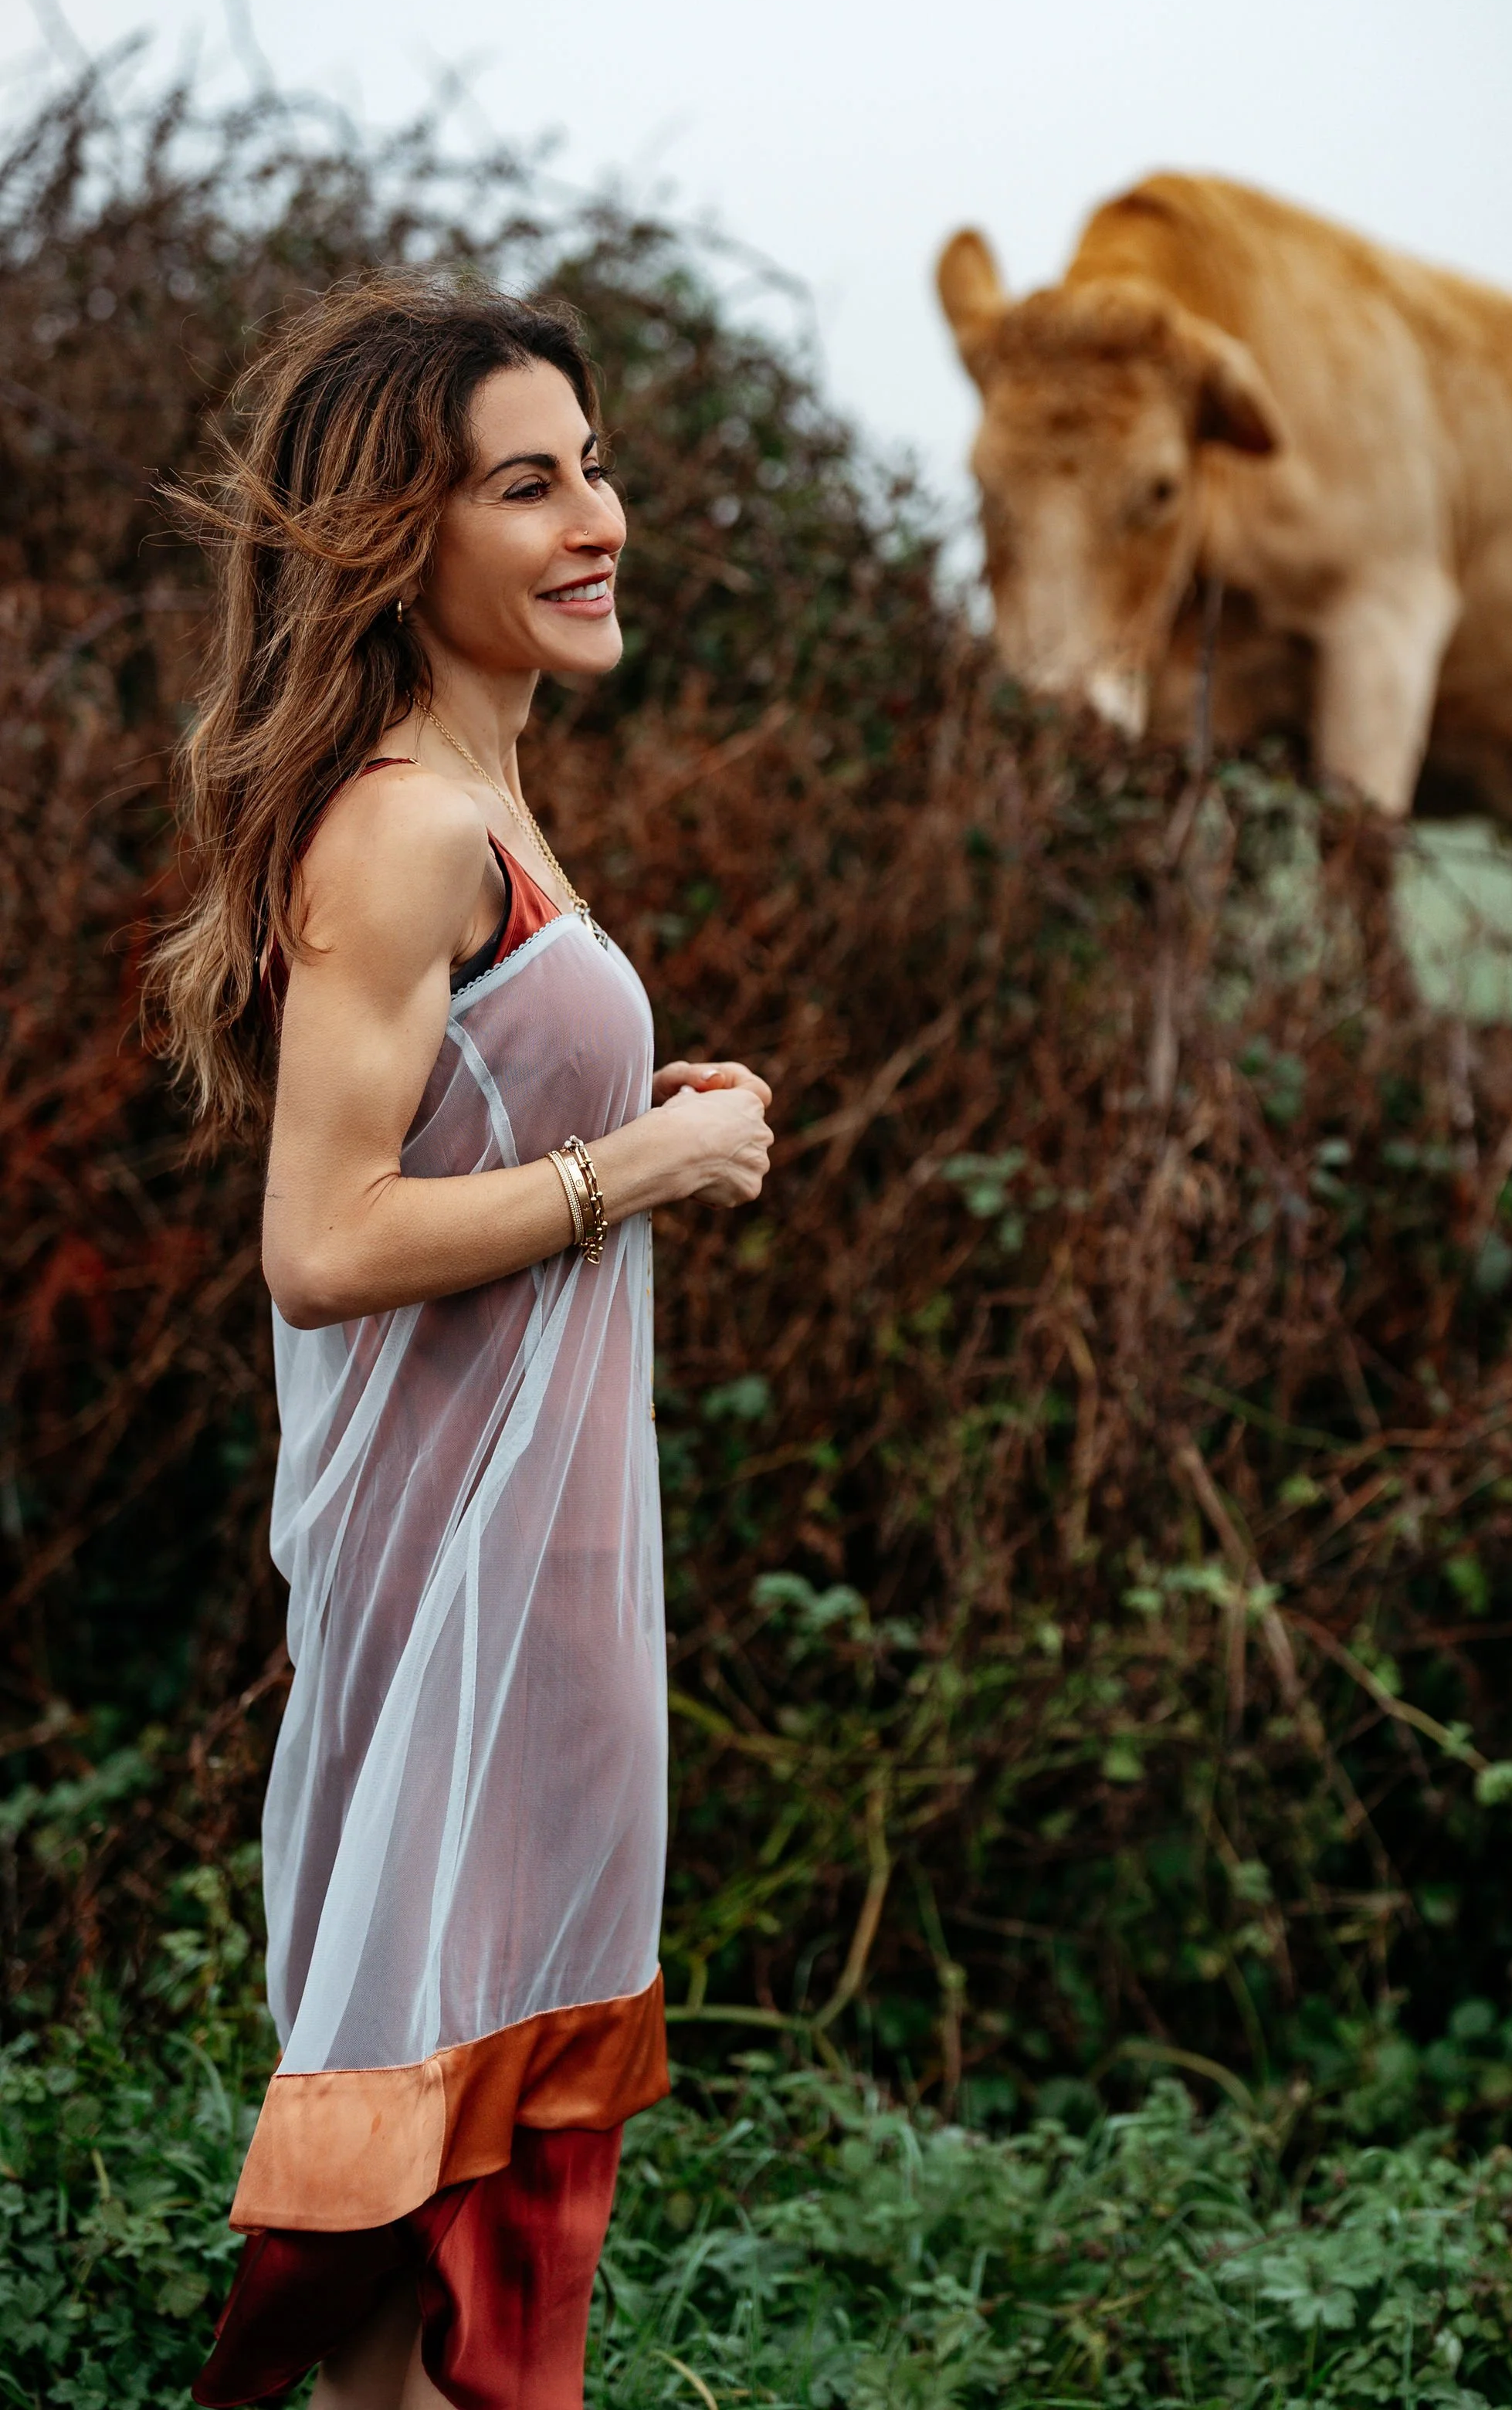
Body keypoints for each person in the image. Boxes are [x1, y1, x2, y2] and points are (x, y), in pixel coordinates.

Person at [147, 274, 774, 2410]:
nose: (596, 516)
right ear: (402, 535)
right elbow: (322, 1245)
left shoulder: (486, 813)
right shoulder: (409, 826)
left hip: (546, 1602)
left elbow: (463, 1134)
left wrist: (631, 1122)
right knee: (405, 2235)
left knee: (465, 2217)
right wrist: (644, 1181)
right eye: (530, 483)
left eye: (594, 466)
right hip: (461, 1615)